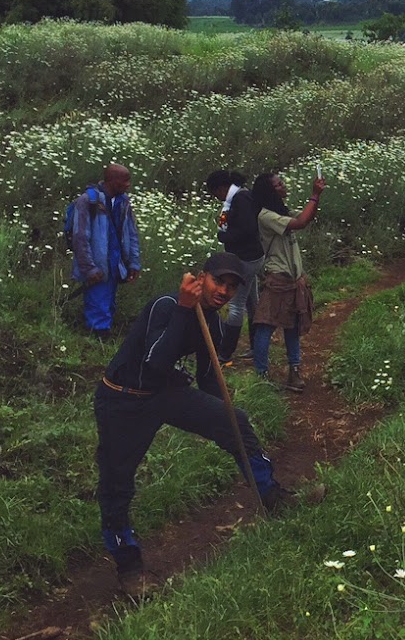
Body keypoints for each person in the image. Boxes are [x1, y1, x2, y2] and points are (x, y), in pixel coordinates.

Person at [94, 252, 289, 596]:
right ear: (202, 278)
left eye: (232, 287)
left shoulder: (211, 321)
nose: (224, 291)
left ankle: (272, 496)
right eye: (219, 282)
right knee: (116, 482)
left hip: (164, 393)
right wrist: (185, 309)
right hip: (123, 399)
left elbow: (207, 376)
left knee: (236, 422)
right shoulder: (167, 306)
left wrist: (219, 414)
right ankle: (129, 568)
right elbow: (155, 362)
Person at [251, 169, 324, 392]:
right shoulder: (265, 216)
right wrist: (315, 195)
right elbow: (300, 222)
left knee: (291, 326)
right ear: (269, 192)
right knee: (265, 326)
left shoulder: (277, 211)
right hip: (278, 278)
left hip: (292, 279)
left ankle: (294, 370)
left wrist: (315, 199)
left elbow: (305, 218)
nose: (283, 186)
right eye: (279, 185)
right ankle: (261, 377)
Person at [69, 162, 142, 337]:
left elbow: (131, 233)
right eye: (125, 181)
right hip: (97, 267)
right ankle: (96, 342)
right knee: (97, 307)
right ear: (112, 180)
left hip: (116, 265)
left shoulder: (123, 202)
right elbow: (80, 237)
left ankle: (101, 338)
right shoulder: (88, 201)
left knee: (108, 304)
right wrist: (89, 268)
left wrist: (133, 263)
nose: (128, 185)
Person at [204, 169, 264, 363]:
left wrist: (225, 237)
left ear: (222, 188)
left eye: (216, 194)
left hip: (246, 258)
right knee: (252, 301)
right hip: (250, 257)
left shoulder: (240, 199)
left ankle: (225, 352)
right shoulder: (238, 198)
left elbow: (248, 229)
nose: (217, 198)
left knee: (236, 306)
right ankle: (257, 346)